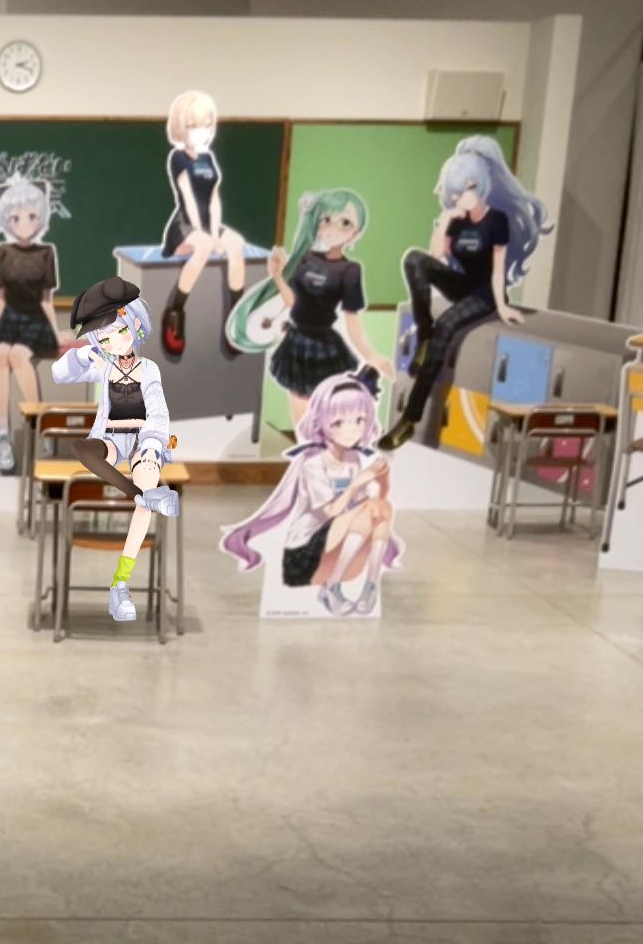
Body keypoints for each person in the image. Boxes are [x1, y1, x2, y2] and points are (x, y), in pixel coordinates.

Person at [379, 136, 551, 452]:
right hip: (462, 285)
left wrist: (502, 306)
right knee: (414, 259)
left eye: (459, 193)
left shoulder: (496, 221)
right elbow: (436, 256)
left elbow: (498, 270)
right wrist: (446, 219)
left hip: (486, 294)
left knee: (447, 324)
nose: (455, 199)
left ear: (475, 186)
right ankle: (424, 337)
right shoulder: (457, 220)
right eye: (452, 194)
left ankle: (409, 420)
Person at [51, 277, 179, 624]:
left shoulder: (149, 370)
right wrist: (83, 353)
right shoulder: (103, 366)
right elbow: (58, 374)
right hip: (109, 438)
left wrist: (151, 447)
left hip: (141, 441)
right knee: (82, 448)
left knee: (147, 479)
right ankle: (142, 496)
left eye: (118, 332)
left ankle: (120, 584)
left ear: (135, 325)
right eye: (103, 338)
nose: (113, 342)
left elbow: (158, 412)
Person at [220, 372, 401, 617]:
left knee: (381, 508)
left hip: (341, 545)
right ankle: (331, 588)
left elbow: (369, 506)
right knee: (370, 510)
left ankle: (370, 588)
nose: (352, 430)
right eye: (339, 423)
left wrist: (382, 483)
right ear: (322, 422)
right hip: (305, 556)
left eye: (360, 420)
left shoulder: (355, 458)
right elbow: (331, 512)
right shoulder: (313, 463)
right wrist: (357, 484)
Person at [226, 188, 393, 429]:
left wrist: (370, 354)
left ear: (356, 234)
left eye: (345, 223)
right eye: (326, 219)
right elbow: (292, 302)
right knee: (302, 420)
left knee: (327, 414)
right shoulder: (306, 259)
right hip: (296, 343)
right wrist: (277, 277)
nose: (333, 228)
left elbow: (352, 319)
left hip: (325, 346)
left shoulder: (350, 271)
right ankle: (304, 450)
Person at [0, 175, 60, 474]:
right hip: (9, 318)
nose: (24, 224)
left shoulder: (46, 252)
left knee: (17, 355)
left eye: (31, 216)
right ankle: (3, 432)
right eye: (15, 218)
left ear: (41, 217)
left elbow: (46, 300)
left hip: (34, 320)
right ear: (5, 220)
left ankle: (41, 422)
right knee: (0, 352)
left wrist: (56, 332)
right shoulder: (3, 251)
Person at [158, 89, 246, 360]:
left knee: (236, 244)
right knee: (205, 246)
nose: (201, 131)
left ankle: (235, 319)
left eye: (206, 125)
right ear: (180, 127)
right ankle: (175, 311)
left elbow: (214, 199)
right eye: (193, 125)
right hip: (186, 224)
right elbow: (188, 198)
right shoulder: (178, 158)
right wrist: (202, 232)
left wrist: (216, 232)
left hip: (209, 222)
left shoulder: (209, 158)